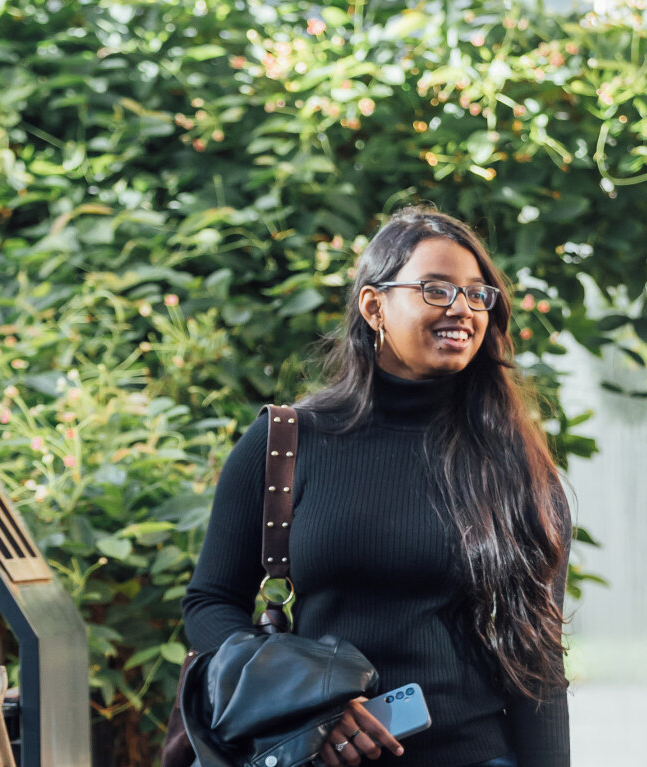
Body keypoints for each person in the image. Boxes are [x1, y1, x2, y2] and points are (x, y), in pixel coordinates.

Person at [182, 207, 571, 767]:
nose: (461, 309)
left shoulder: (517, 467)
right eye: (435, 290)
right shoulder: (286, 441)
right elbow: (211, 602)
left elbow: (538, 659)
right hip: (312, 755)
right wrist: (306, 700)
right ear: (374, 306)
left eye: (476, 294)